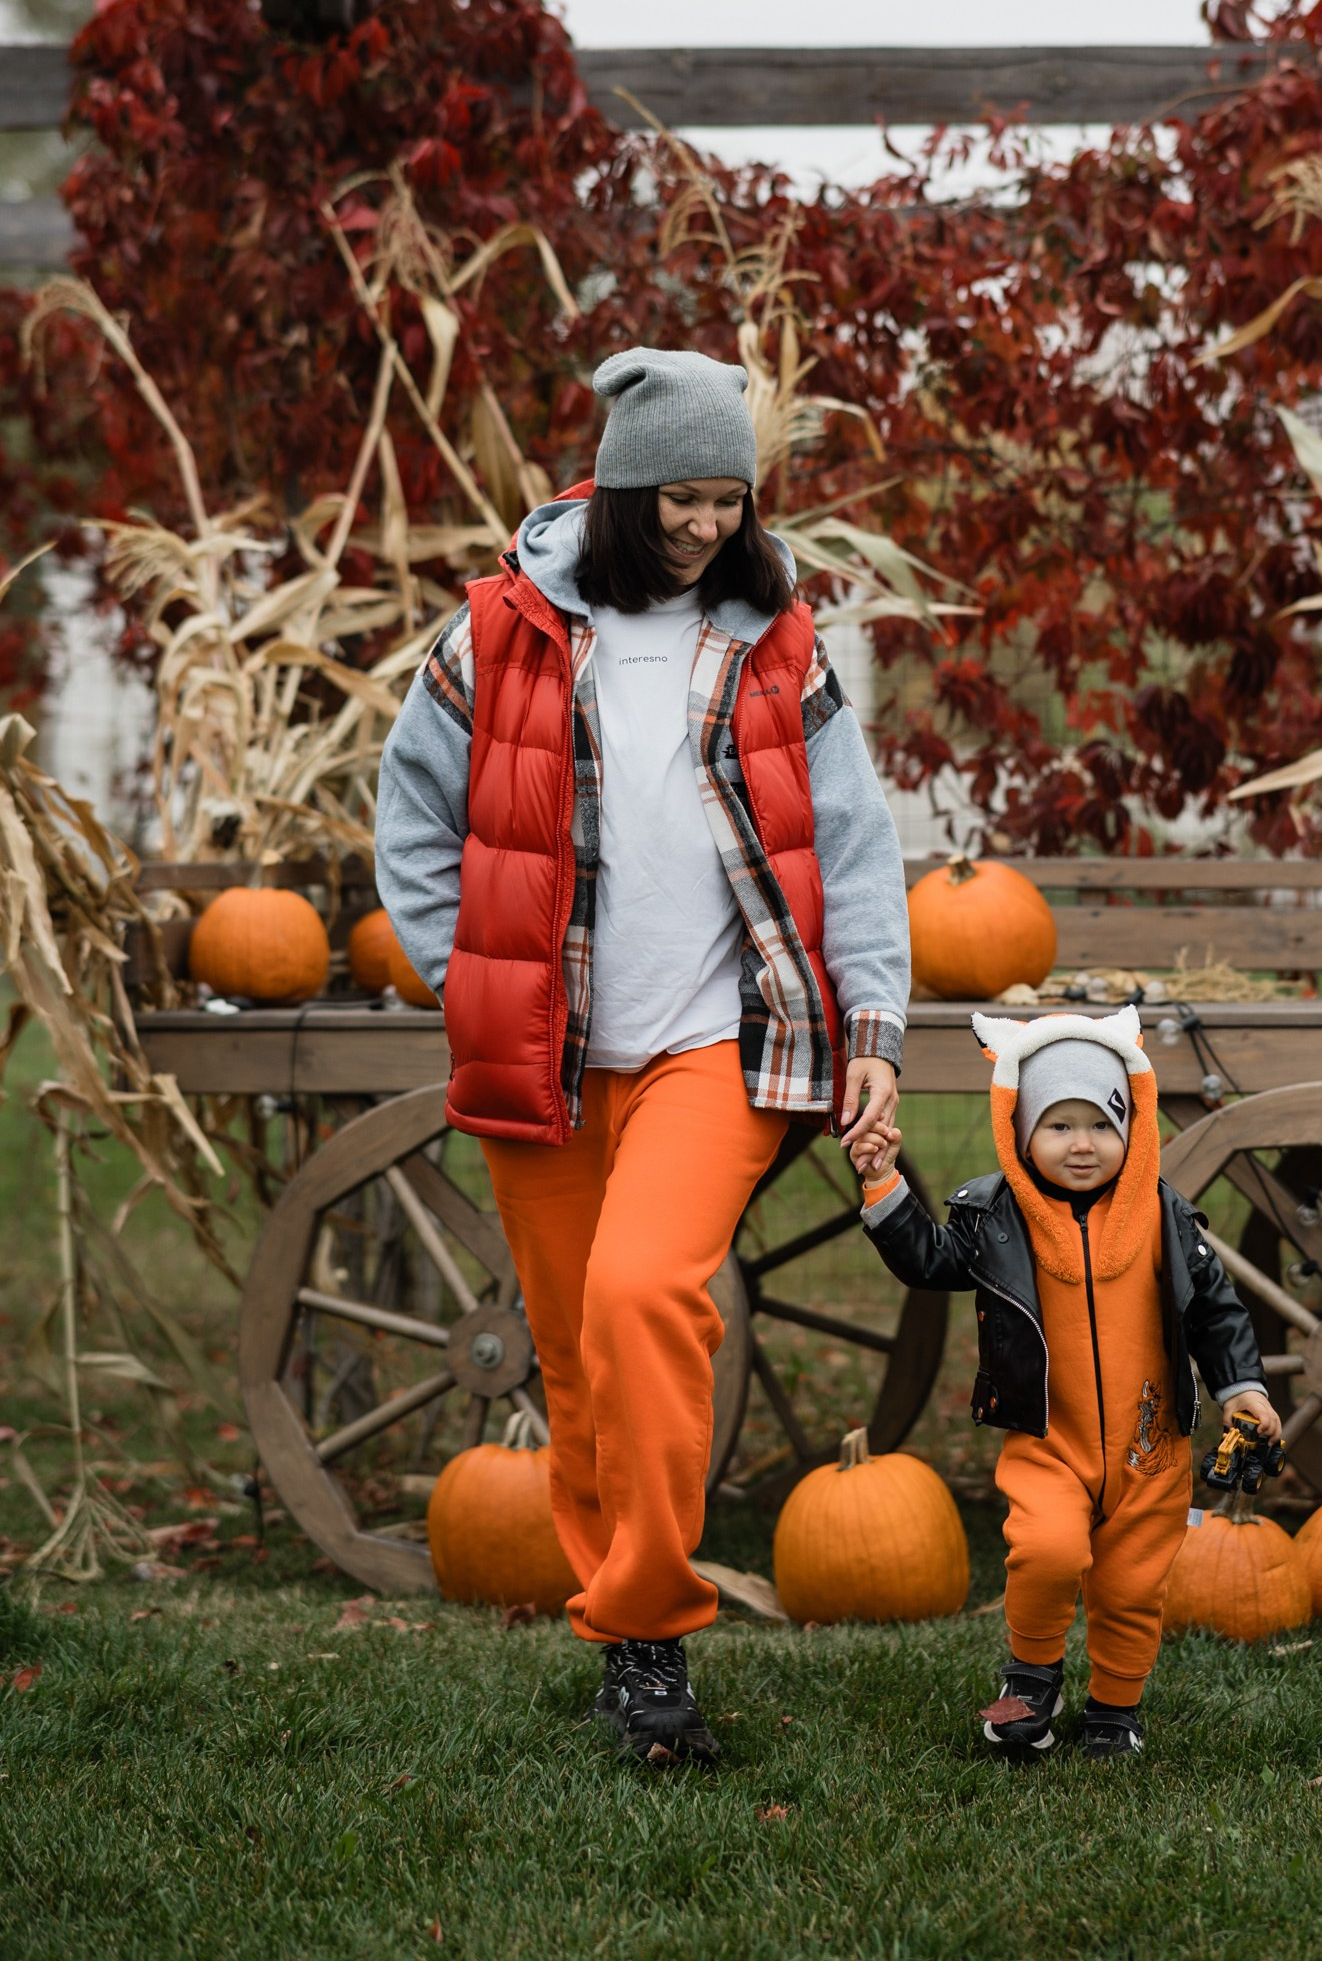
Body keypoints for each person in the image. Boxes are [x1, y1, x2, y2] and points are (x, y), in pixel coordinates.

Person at [375, 347, 909, 1765]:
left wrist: (874, 1027)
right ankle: (627, 1646)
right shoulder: (497, 634)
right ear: (621, 490)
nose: (705, 526)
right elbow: (413, 826)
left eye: (729, 501)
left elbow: (854, 847)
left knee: (641, 1294)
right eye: (681, 498)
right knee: (572, 1359)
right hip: (541, 1055)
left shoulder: (778, 640)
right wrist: (466, 983)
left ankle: (656, 1625)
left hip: (714, 1039)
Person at [847, 1003, 1277, 1761]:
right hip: (1049, 1438)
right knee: (1044, 1553)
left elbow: (1215, 1309)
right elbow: (930, 1263)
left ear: (1132, 1126)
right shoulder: (997, 1216)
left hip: (1149, 1447)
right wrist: (884, 1183)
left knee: (1133, 1588)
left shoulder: (1161, 1215)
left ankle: (1115, 1708)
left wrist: (1244, 1387)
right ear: (1020, 1131)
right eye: (1059, 1125)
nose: (1082, 1144)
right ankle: (1031, 1680)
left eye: (1102, 1124)